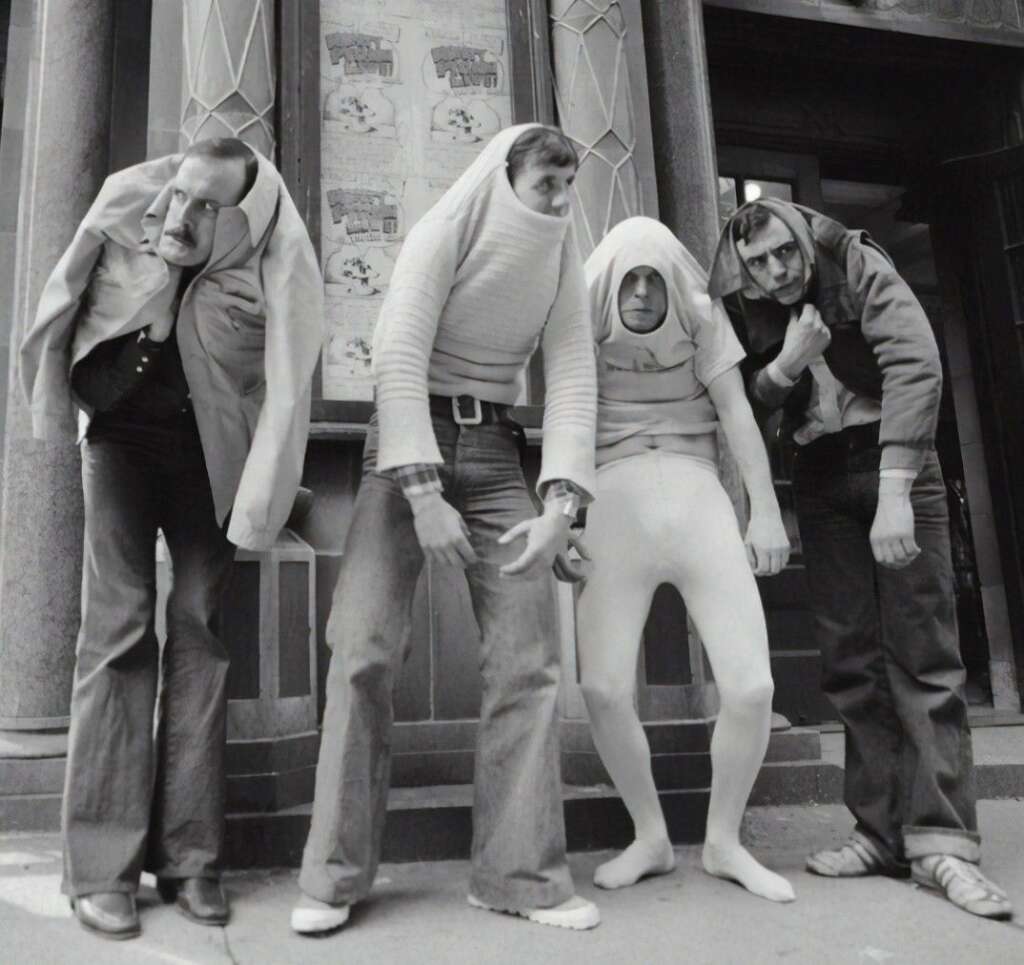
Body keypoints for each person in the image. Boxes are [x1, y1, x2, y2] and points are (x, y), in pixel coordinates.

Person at [290, 123, 600, 936]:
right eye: (548, 183)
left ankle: (519, 876)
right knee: (360, 647)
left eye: (572, 183)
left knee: (528, 662)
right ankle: (332, 877)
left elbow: (572, 368)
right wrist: (423, 493)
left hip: (499, 452)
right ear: (507, 177)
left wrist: (562, 506)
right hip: (404, 448)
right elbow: (396, 349)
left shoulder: (561, 246)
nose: (563, 200)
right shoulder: (445, 228)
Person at [20, 137, 324, 939]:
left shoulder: (283, 250)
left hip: (209, 455)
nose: (180, 214)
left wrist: (261, 497)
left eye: (203, 206)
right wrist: (61, 396)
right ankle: (100, 868)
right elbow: (64, 294)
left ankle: (192, 856)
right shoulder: (135, 196)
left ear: (241, 213)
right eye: (180, 195)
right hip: (120, 439)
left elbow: (292, 379)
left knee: (198, 630)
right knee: (117, 629)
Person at [708, 198, 1012, 920]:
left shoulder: (854, 258)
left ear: (801, 239)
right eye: (757, 263)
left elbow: (916, 361)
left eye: (784, 253)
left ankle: (943, 842)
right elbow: (740, 403)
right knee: (850, 658)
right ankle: (880, 831)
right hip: (819, 475)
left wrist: (898, 489)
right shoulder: (743, 303)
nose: (776, 272)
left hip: (893, 466)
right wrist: (787, 365)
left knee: (923, 654)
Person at [576, 216, 794, 903]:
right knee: (603, 687)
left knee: (754, 687)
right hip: (611, 494)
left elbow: (735, 412)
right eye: (629, 280)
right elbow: (566, 416)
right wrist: (562, 514)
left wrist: (764, 508)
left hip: (698, 490)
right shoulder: (580, 309)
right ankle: (651, 835)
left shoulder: (700, 317)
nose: (640, 293)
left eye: (652, 279)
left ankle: (724, 841)